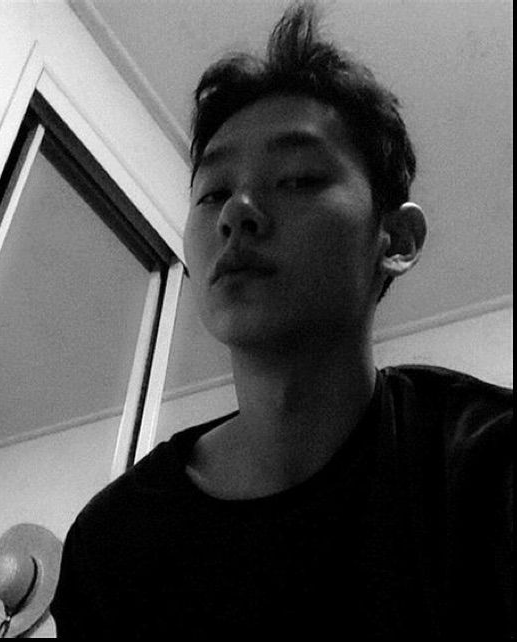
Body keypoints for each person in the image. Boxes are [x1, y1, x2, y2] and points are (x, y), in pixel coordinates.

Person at [51, 2, 513, 639]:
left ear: (397, 240)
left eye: (297, 179)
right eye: (214, 193)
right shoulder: (113, 544)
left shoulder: (485, 468)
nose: (236, 212)